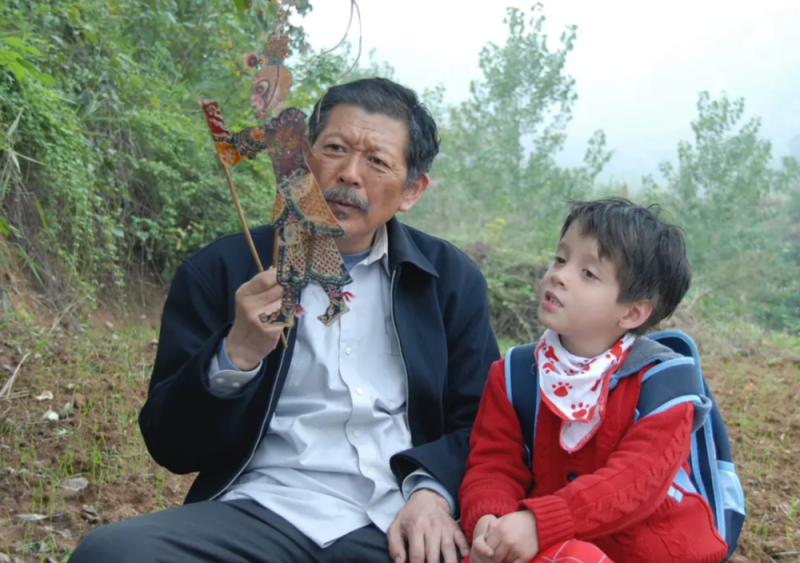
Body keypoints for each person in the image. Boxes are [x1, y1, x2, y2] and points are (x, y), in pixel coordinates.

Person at [68, 77, 500, 563]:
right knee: (112, 553)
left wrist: (432, 491)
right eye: (334, 149)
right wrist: (236, 355)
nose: (349, 175)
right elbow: (171, 446)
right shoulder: (223, 270)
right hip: (260, 511)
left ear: (411, 190)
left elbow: (482, 422)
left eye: (377, 161)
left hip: (397, 520)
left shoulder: (448, 281)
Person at [457, 198, 729, 563]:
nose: (559, 275)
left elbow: (633, 482)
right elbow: (493, 464)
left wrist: (540, 523)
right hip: (553, 547)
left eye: (588, 273)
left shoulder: (666, 384)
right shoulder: (513, 374)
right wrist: (489, 521)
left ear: (632, 312)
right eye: (560, 259)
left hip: (654, 552)